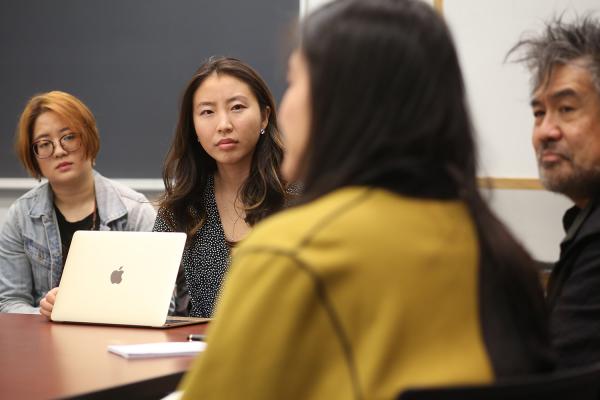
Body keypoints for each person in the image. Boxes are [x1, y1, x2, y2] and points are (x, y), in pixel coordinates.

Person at [178, 1, 554, 399]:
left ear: (342, 104)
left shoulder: (289, 252)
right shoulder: (501, 252)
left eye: (295, 83)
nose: (285, 109)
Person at [153, 56, 290, 317]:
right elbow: (144, 293)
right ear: (192, 126)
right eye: (207, 112)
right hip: (204, 353)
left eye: (237, 107)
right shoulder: (180, 209)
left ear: (264, 117)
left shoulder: (301, 197)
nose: (224, 124)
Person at [0, 91, 156, 315]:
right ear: (33, 155)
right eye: (44, 144)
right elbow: (9, 303)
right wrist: (47, 312)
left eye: (69, 137)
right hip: (44, 345)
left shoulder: (135, 212)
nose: (59, 151)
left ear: (88, 138)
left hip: (114, 344)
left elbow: (159, 304)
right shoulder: (20, 217)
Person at [509, 16, 600, 368]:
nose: (545, 131)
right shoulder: (586, 219)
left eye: (566, 109)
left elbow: (555, 384)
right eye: (538, 112)